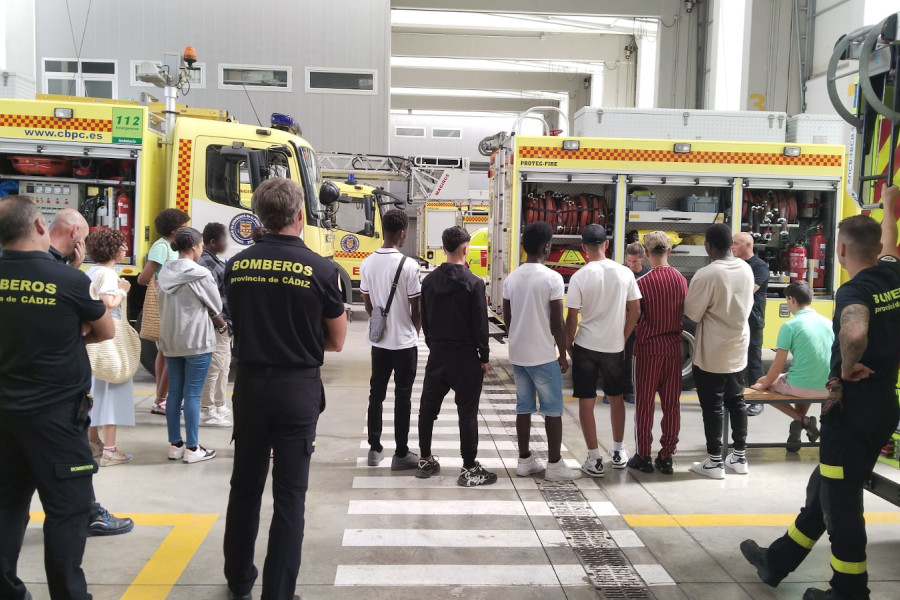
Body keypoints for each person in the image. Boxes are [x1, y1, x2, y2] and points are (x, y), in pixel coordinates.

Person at [741, 184, 900, 600]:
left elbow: (856, 329)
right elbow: (890, 239)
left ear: (842, 251)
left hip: (851, 411)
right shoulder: (893, 272)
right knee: (824, 487)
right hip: (883, 407)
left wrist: (847, 365)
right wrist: (889, 207)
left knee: (841, 502)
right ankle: (775, 561)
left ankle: (849, 590)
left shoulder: (855, 290)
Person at [223, 177, 347, 600]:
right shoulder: (324, 269)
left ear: (259, 216)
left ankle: (239, 579)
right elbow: (337, 340)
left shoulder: (236, 265)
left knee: (245, 486)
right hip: (297, 390)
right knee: (290, 495)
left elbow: (234, 319)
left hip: (251, 386)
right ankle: (278, 592)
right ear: (299, 215)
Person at [0, 195, 114, 600]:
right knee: (67, 512)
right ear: (38, 228)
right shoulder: (68, 281)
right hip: (57, 421)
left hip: (5, 416)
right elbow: (106, 332)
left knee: (7, 506)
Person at [46, 209, 134, 537]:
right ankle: (107, 454)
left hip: (28, 395)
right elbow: (100, 318)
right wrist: (121, 291)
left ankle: (95, 443)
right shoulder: (87, 277)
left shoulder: (78, 272)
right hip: (74, 376)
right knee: (107, 399)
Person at [415, 226, 496, 486]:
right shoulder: (473, 283)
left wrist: (434, 344)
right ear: (465, 248)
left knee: (427, 410)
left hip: (437, 355)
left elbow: (425, 321)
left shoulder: (428, 281)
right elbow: (479, 326)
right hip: (465, 358)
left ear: (443, 248)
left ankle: (425, 459)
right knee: (467, 413)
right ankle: (469, 468)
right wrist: (483, 356)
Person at [503, 221, 581, 481]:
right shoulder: (552, 278)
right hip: (543, 356)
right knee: (552, 409)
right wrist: (563, 352)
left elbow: (508, 318)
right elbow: (557, 322)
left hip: (518, 354)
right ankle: (555, 465)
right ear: (547, 247)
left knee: (523, 407)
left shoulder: (512, 278)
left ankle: (524, 460)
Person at [565, 225, 641, 476]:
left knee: (587, 401)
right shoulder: (624, 273)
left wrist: (568, 345)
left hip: (585, 345)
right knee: (616, 398)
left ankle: (594, 458)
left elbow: (572, 317)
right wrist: (623, 337)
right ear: (606, 245)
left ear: (583, 248)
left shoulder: (580, 276)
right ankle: (619, 452)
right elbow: (635, 310)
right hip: (614, 347)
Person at [684, 223, 755, 479]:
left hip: (713, 350)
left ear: (709, 246)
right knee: (737, 401)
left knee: (712, 405)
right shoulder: (746, 268)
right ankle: (739, 457)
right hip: (739, 347)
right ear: (730, 245)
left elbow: (692, 313)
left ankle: (715, 462)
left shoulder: (707, 274)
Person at [359, 209, 422, 470]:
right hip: (404, 343)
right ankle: (401, 453)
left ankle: (374, 450)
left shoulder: (367, 263)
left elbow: (367, 304)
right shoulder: (409, 265)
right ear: (403, 232)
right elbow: (416, 308)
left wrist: (379, 323)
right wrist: (412, 330)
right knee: (403, 397)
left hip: (379, 342)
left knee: (377, 394)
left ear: (384, 230)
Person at [157, 227, 223, 464]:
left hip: (171, 340)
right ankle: (193, 448)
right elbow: (216, 305)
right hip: (196, 341)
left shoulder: (164, 271)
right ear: (195, 246)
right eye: (202, 244)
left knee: (175, 392)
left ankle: (175, 445)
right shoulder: (200, 273)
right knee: (192, 395)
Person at [628, 231, 688, 475]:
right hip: (674, 350)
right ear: (669, 251)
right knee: (671, 405)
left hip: (648, 351)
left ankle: (643, 455)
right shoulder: (681, 280)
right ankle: (666, 456)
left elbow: (632, 316)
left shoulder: (641, 283)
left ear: (645, 253)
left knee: (644, 405)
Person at [750, 280, 832, 451]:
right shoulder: (828, 323)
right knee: (799, 381)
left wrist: (762, 385)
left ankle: (803, 420)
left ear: (791, 300)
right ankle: (797, 426)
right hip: (828, 387)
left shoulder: (790, 325)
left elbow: (777, 366)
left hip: (802, 387)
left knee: (766, 383)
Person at [85, 228, 136, 467]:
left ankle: (93, 441)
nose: (126, 249)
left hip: (93, 343)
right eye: (123, 245)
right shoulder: (107, 274)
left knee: (95, 393)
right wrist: (123, 292)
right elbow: (107, 303)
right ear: (114, 250)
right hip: (111, 342)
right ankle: (110, 450)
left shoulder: (90, 271)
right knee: (113, 392)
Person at [137, 208, 190, 416]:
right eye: (183, 226)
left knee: (163, 353)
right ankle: (160, 400)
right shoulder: (161, 248)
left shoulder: (173, 246)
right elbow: (143, 278)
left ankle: (162, 398)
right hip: (164, 304)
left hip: (171, 304)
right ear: (174, 228)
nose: (186, 229)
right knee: (169, 353)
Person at [197, 222, 233, 428]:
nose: (226, 243)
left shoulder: (213, 261)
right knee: (214, 367)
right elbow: (206, 299)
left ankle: (219, 404)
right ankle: (207, 409)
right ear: (212, 242)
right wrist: (220, 323)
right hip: (217, 324)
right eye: (223, 239)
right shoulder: (206, 265)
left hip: (225, 323)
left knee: (223, 366)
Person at [732, 231, 769, 416]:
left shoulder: (760, 266)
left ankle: (757, 400)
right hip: (735, 319)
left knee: (754, 359)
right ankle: (734, 397)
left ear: (748, 245)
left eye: (736, 243)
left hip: (753, 320)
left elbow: (748, 290)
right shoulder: (734, 265)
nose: (732, 247)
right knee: (733, 359)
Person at [621, 241, 650, 405]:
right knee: (620, 357)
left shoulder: (647, 275)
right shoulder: (622, 272)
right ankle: (617, 390)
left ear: (642, 259)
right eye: (629, 261)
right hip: (623, 321)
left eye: (634, 261)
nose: (631, 264)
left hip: (640, 323)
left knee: (634, 359)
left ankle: (630, 390)